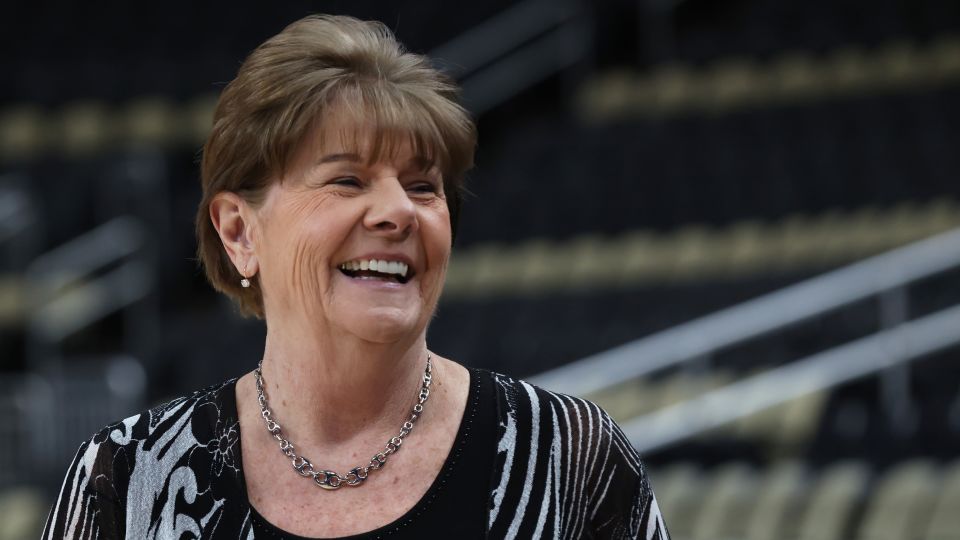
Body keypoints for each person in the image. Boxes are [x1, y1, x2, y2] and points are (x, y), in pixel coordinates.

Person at [43, 14, 669, 539]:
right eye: (346, 180)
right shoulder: (126, 478)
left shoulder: (568, 459)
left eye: (424, 186)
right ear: (238, 232)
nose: (399, 211)